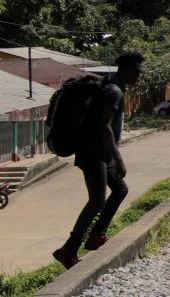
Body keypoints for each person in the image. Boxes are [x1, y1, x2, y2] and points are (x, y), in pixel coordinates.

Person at [53, 51, 145, 269]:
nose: (139, 77)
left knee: (120, 190)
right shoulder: (113, 91)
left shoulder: (112, 87)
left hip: (100, 153)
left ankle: (96, 235)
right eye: (138, 73)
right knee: (97, 200)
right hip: (93, 153)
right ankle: (68, 249)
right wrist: (119, 158)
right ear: (127, 70)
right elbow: (104, 127)